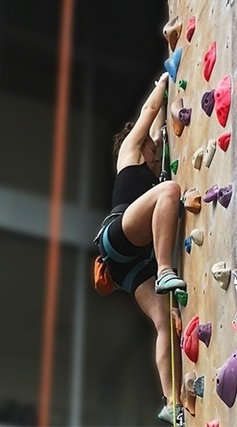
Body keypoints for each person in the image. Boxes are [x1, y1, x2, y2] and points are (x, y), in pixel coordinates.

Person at [98, 73, 185, 423]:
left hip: (129, 264)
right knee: (169, 191)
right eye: (152, 147)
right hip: (118, 237)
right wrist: (165, 79)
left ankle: (171, 401)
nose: (154, 151)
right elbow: (151, 110)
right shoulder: (130, 151)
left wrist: (166, 111)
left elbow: (160, 128)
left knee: (164, 322)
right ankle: (165, 269)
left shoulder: (151, 164)